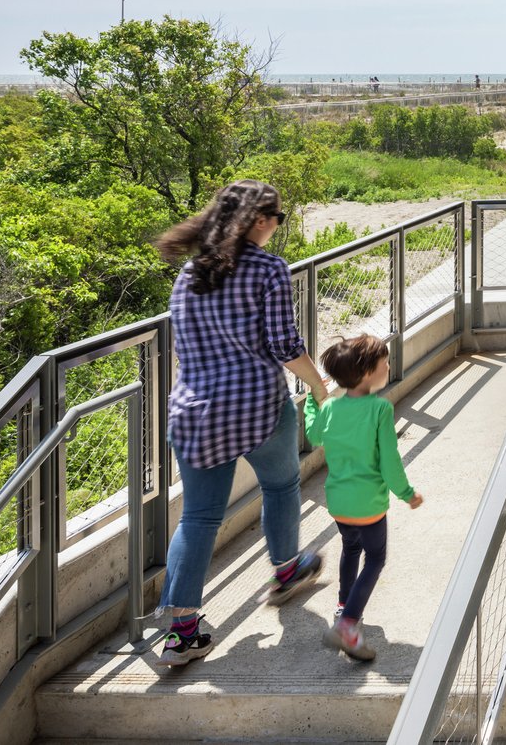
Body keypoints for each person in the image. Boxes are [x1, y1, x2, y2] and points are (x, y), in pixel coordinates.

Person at [153, 180, 328, 668]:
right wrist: (318, 385)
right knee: (282, 484)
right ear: (258, 220)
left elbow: (184, 345)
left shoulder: (190, 273)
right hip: (256, 406)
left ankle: (182, 633)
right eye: (277, 217)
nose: (277, 226)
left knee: (199, 517)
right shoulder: (268, 269)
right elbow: (284, 345)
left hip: (193, 411)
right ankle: (288, 570)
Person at [306, 334, 424, 661]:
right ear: (367, 372)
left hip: (339, 503)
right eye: (384, 362)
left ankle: (345, 603)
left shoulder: (329, 409)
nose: (388, 365)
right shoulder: (380, 409)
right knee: (375, 558)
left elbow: (314, 435)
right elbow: (390, 461)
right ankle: (347, 624)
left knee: (350, 547)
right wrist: (407, 493)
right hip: (369, 504)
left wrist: (314, 404)